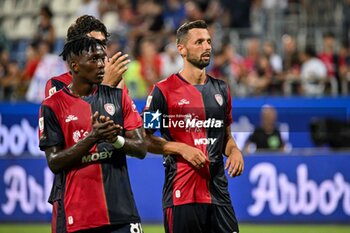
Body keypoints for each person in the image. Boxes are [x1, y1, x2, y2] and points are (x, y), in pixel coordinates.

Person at [144, 20, 243, 233]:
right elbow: (143, 138)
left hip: (219, 195)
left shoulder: (222, 90)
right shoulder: (162, 91)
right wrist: (181, 148)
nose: (207, 47)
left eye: (208, 41)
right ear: (182, 49)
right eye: (199, 42)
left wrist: (234, 151)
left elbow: (225, 137)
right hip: (182, 195)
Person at [39, 36, 146, 233]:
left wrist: (115, 140)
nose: (101, 65)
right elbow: (54, 162)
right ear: (75, 66)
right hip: (80, 217)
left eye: (102, 58)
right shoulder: (52, 105)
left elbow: (141, 148)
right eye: (94, 59)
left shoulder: (118, 96)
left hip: (123, 214)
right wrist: (92, 137)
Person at [45, 15, 129, 98]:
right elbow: (71, 111)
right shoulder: (58, 84)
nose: (100, 49)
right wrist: (106, 87)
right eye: (93, 43)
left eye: (103, 43)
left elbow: (128, 111)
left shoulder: (116, 81)